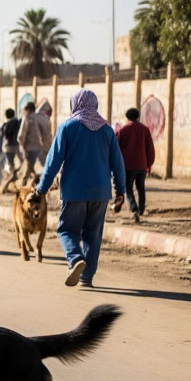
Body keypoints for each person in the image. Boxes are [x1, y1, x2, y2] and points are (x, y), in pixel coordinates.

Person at [36, 90, 126, 288]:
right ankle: (87, 277)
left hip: (74, 190)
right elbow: (117, 162)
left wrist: (41, 188)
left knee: (67, 229)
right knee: (93, 234)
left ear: (74, 104)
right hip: (101, 192)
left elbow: (53, 161)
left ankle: (75, 259)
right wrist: (121, 190)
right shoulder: (107, 130)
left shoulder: (68, 127)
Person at [116, 106, 154, 224]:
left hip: (127, 166)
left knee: (128, 189)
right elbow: (150, 149)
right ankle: (141, 210)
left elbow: (116, 149)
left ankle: (134, 209)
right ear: (137, 116)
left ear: (127, 117)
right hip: (142, 165)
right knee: (141, 188)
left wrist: (116, 166)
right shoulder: (145, 130)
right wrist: (149, 164)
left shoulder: (123, 130)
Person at [0, 108, 22, 196]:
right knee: (16, 164)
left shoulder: (5, 125)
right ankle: (12, 179)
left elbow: (0, 138)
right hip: (16, 146)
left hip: (7, 147)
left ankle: (7, 182)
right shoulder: (18, 122)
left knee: (6, 166)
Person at [17, 101, 48, 185]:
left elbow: (21, 135)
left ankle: (25, 188)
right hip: (39, 148)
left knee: (28, 169)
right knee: (34, 168)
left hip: (29, 149)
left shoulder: (27, 118)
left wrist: (21, 145)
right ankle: (37, 186)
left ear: (27, 110)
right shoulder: (41, 118)